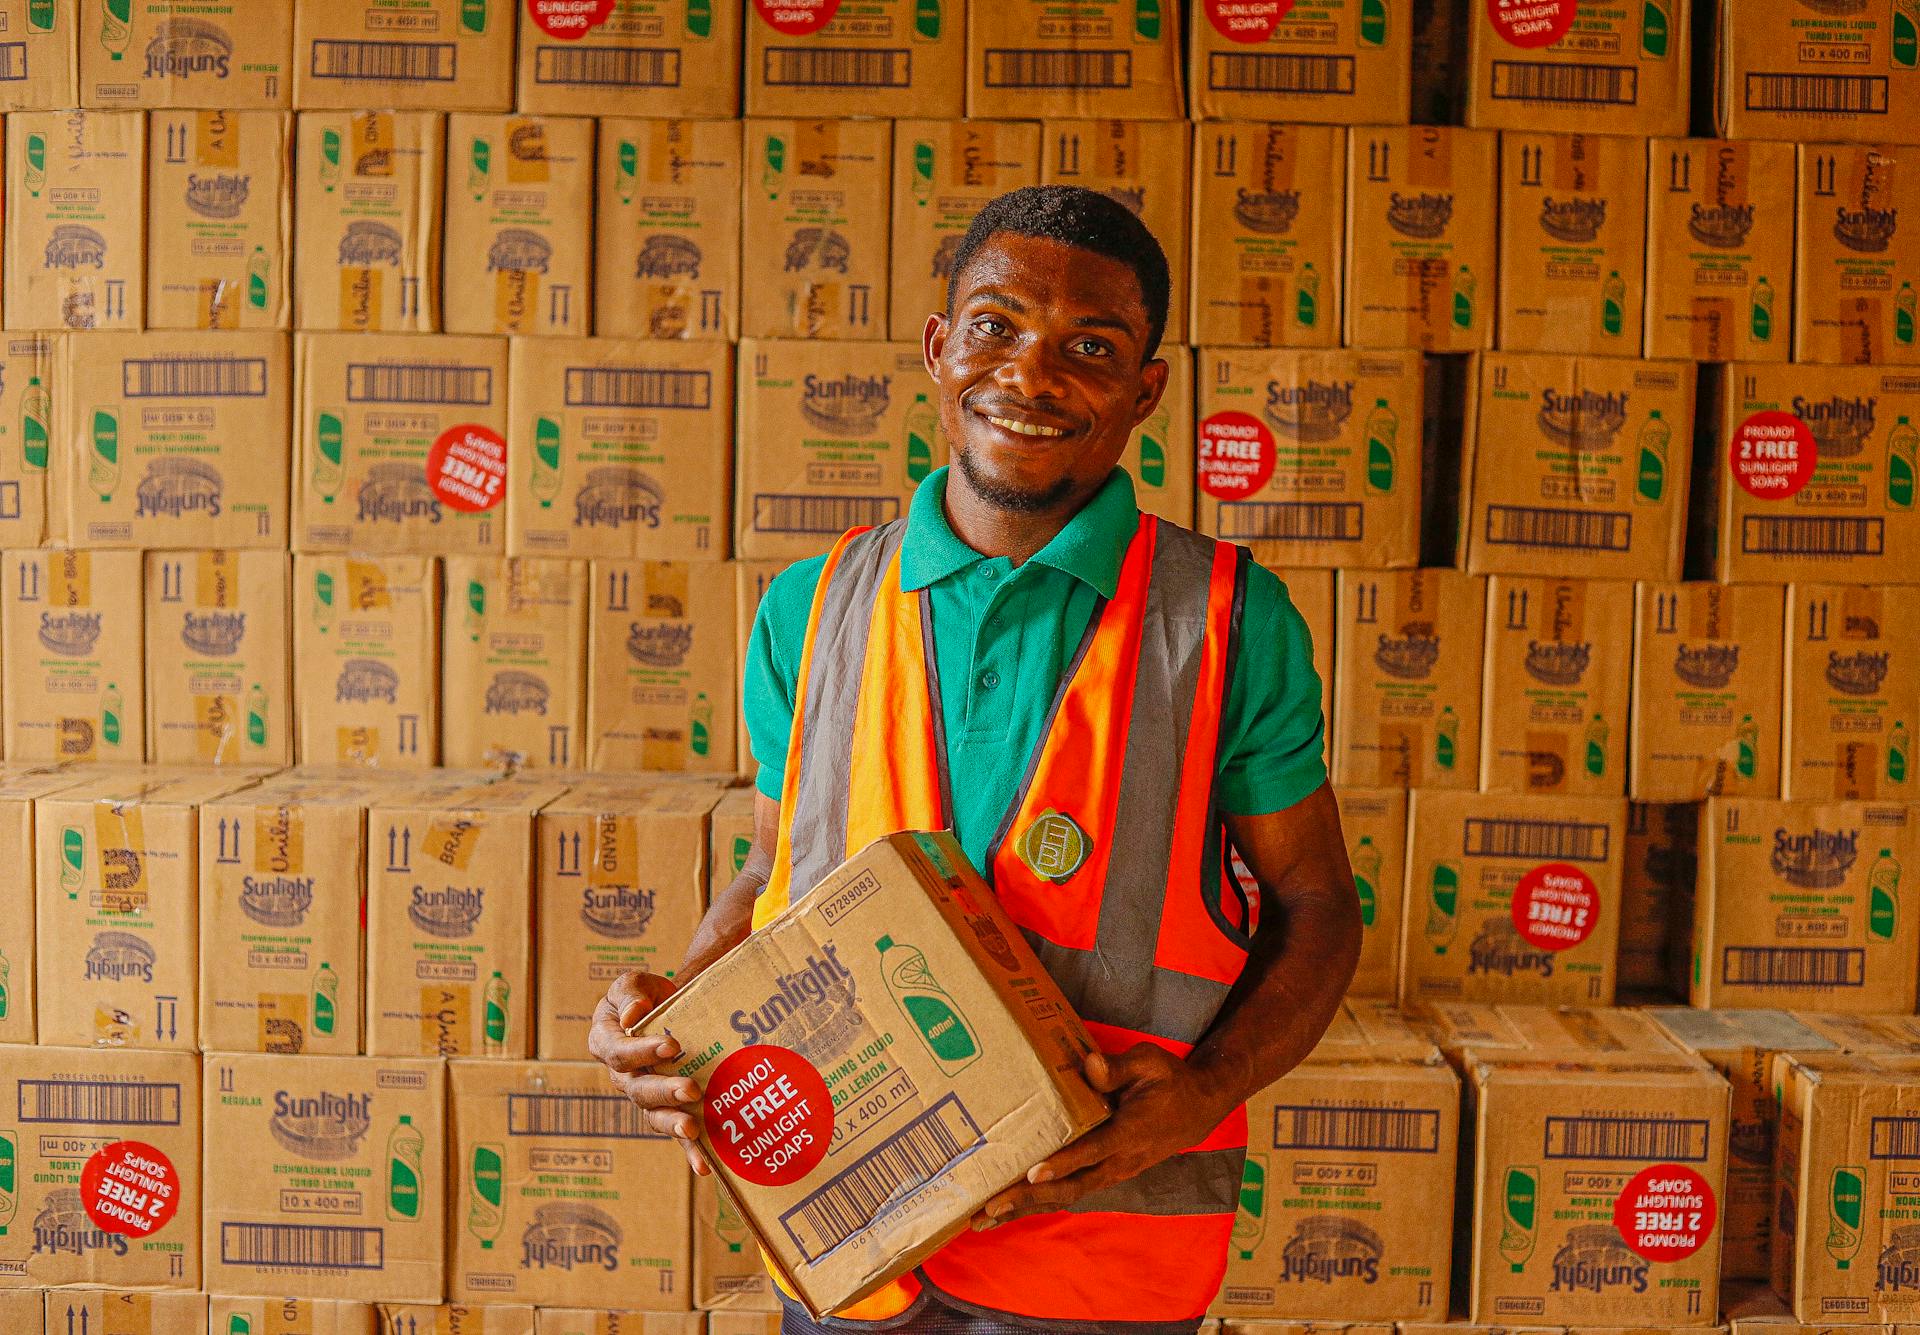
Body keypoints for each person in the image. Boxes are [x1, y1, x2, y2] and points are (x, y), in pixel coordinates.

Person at [590, 185, 1362, 1335]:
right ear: (940, 350)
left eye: (1089, 347)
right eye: (997, 327)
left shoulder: (1226, 621)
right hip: (852, 1227)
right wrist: (668, 1025)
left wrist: (1200, 1096)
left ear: (1145, 390)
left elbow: (1319, 905)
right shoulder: (808, 608)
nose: (1033, 375)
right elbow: (776, 877)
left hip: (1103, 1256)